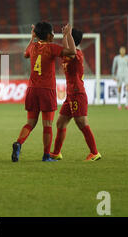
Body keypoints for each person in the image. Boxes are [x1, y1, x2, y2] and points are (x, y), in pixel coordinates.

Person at [11, 22, 76, 162]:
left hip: (32, 90)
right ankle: (46, 155)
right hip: (47, 91)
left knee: (30, 123)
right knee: (47, 125)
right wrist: (67, 35)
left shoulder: (33, 46)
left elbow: (25, 54)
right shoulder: (52, 48)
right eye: (52, 33)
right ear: (48, 35)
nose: (53, 35)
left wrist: (32, 37)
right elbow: (72, 52)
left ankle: (19, 143)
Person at [50, 28, 102, 161]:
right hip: (70, 94)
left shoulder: (76, 54)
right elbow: (66, 48)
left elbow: (71, 51)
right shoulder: (68, 53)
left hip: (77, 93)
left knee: (82, 123)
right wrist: (65, 35)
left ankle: (94, 152)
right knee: (61, 123)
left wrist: (68, 35)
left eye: (68, 38)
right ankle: (56, 153)